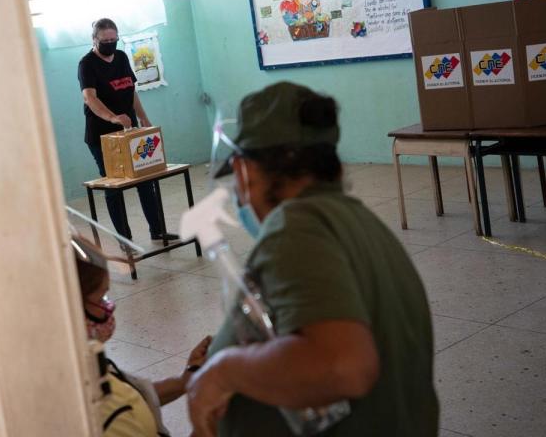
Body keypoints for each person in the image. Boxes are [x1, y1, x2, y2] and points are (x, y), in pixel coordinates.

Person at [186, 82, 438, 437]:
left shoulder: (294, 226)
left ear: (245, 171)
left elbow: (344, 366)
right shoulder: (360, 224)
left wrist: (225, 369)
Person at [73, 242, 211, 436]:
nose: (109, 307)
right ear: (69, 309)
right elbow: (123, 410)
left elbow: (135, 396)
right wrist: (206, 426)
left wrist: (186, 379)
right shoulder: (104, 413)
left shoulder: (86, 367)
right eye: (100, 299)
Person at [79, 18, 177, 242]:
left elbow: (130, 91)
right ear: (94, 40)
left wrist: (143, 117)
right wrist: (113, 118)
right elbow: (89, 97)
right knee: (114, 187)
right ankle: (125, 241)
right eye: (105, 40)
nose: (110, 44)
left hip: (129, 130)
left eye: (114, 39)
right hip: (103, 135)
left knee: (145, 179)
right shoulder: (87, 64)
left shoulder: (122, 57)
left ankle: (157, 230)